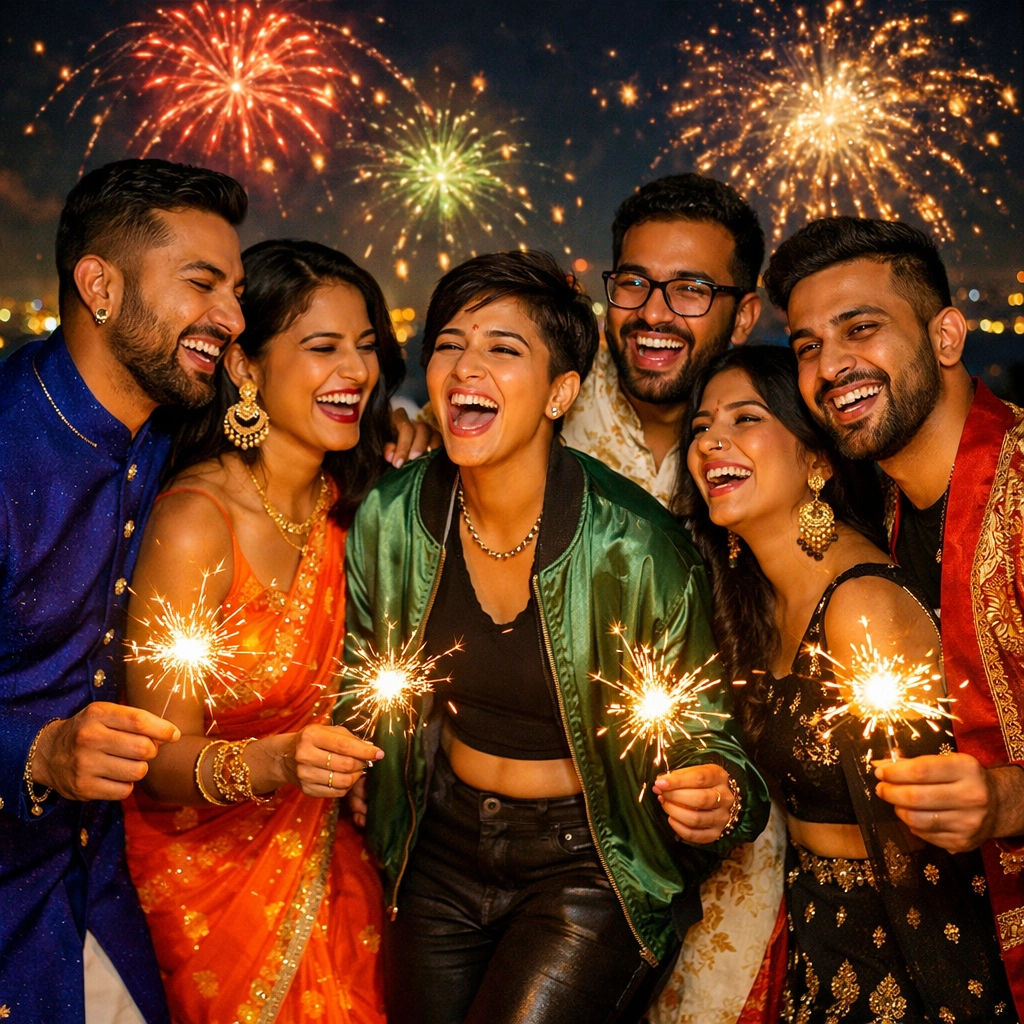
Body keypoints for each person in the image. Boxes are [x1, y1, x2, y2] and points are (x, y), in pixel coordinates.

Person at [339, 249, 769, 1024]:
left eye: (504, 349)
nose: (466, 366)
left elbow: (712, 739)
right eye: (448, 344)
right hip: (439, 849)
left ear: (560, 391)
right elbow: (363, 680)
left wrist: (721, 795)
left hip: (590, 860)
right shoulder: (391, 517)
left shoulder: (635, 547)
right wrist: (355, 761)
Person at [679, 343, 1016, 1023]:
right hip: (815, 931)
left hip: (901, 951)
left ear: (817, 460)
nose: (713, 441)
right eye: (701, 427)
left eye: (745, 419)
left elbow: (925, 854)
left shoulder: (859, 606)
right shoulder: (755, 599)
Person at [121, 240, 403, 1024]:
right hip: (205, 883)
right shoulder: (195, 524)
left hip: (332, 860)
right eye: (323, 348)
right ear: (244, 368)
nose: (355, 372)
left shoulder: (363, 510)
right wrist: (275, 761)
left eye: (367, 348)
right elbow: (155, 758)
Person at [0, 158, 248, 1024]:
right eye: (203, 284)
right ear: (98, 286)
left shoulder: (163, 425)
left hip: (99, 887)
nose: (232, 316)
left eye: (238, 290)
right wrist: (39, 753)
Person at [764, 217, 1024, 1019]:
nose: (831, 364)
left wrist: (1012, 802)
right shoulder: (866, 509)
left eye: (861, 329)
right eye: (807, 345)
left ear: (947, 334)